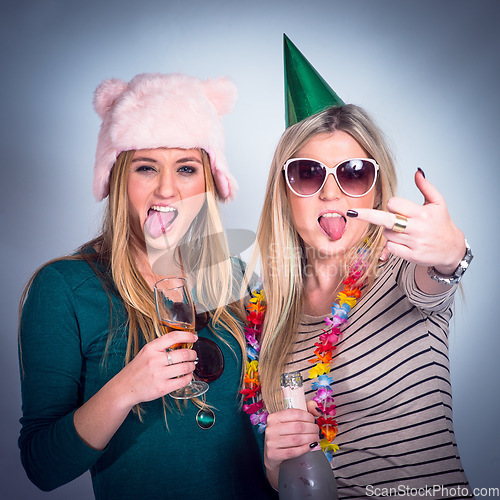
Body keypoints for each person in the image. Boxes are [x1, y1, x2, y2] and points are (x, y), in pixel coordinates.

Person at [18, 72, 277, 499]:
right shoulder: (63, 288)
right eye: (146, 167)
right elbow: (42, 467)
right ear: (120, 178)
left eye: (187, 169)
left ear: (209, 182)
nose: (167, 189)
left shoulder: (241, 279)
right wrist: (125, 388)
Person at [241, 36, 473, 498]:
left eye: (352, 173)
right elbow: (293, 476)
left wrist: (452, 251)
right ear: (284, 196)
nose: (331, 193)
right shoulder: (265, 318)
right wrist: (274, 460)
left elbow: (441, 271)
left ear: (375, 187)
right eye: (307, 174)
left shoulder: (403, 274)